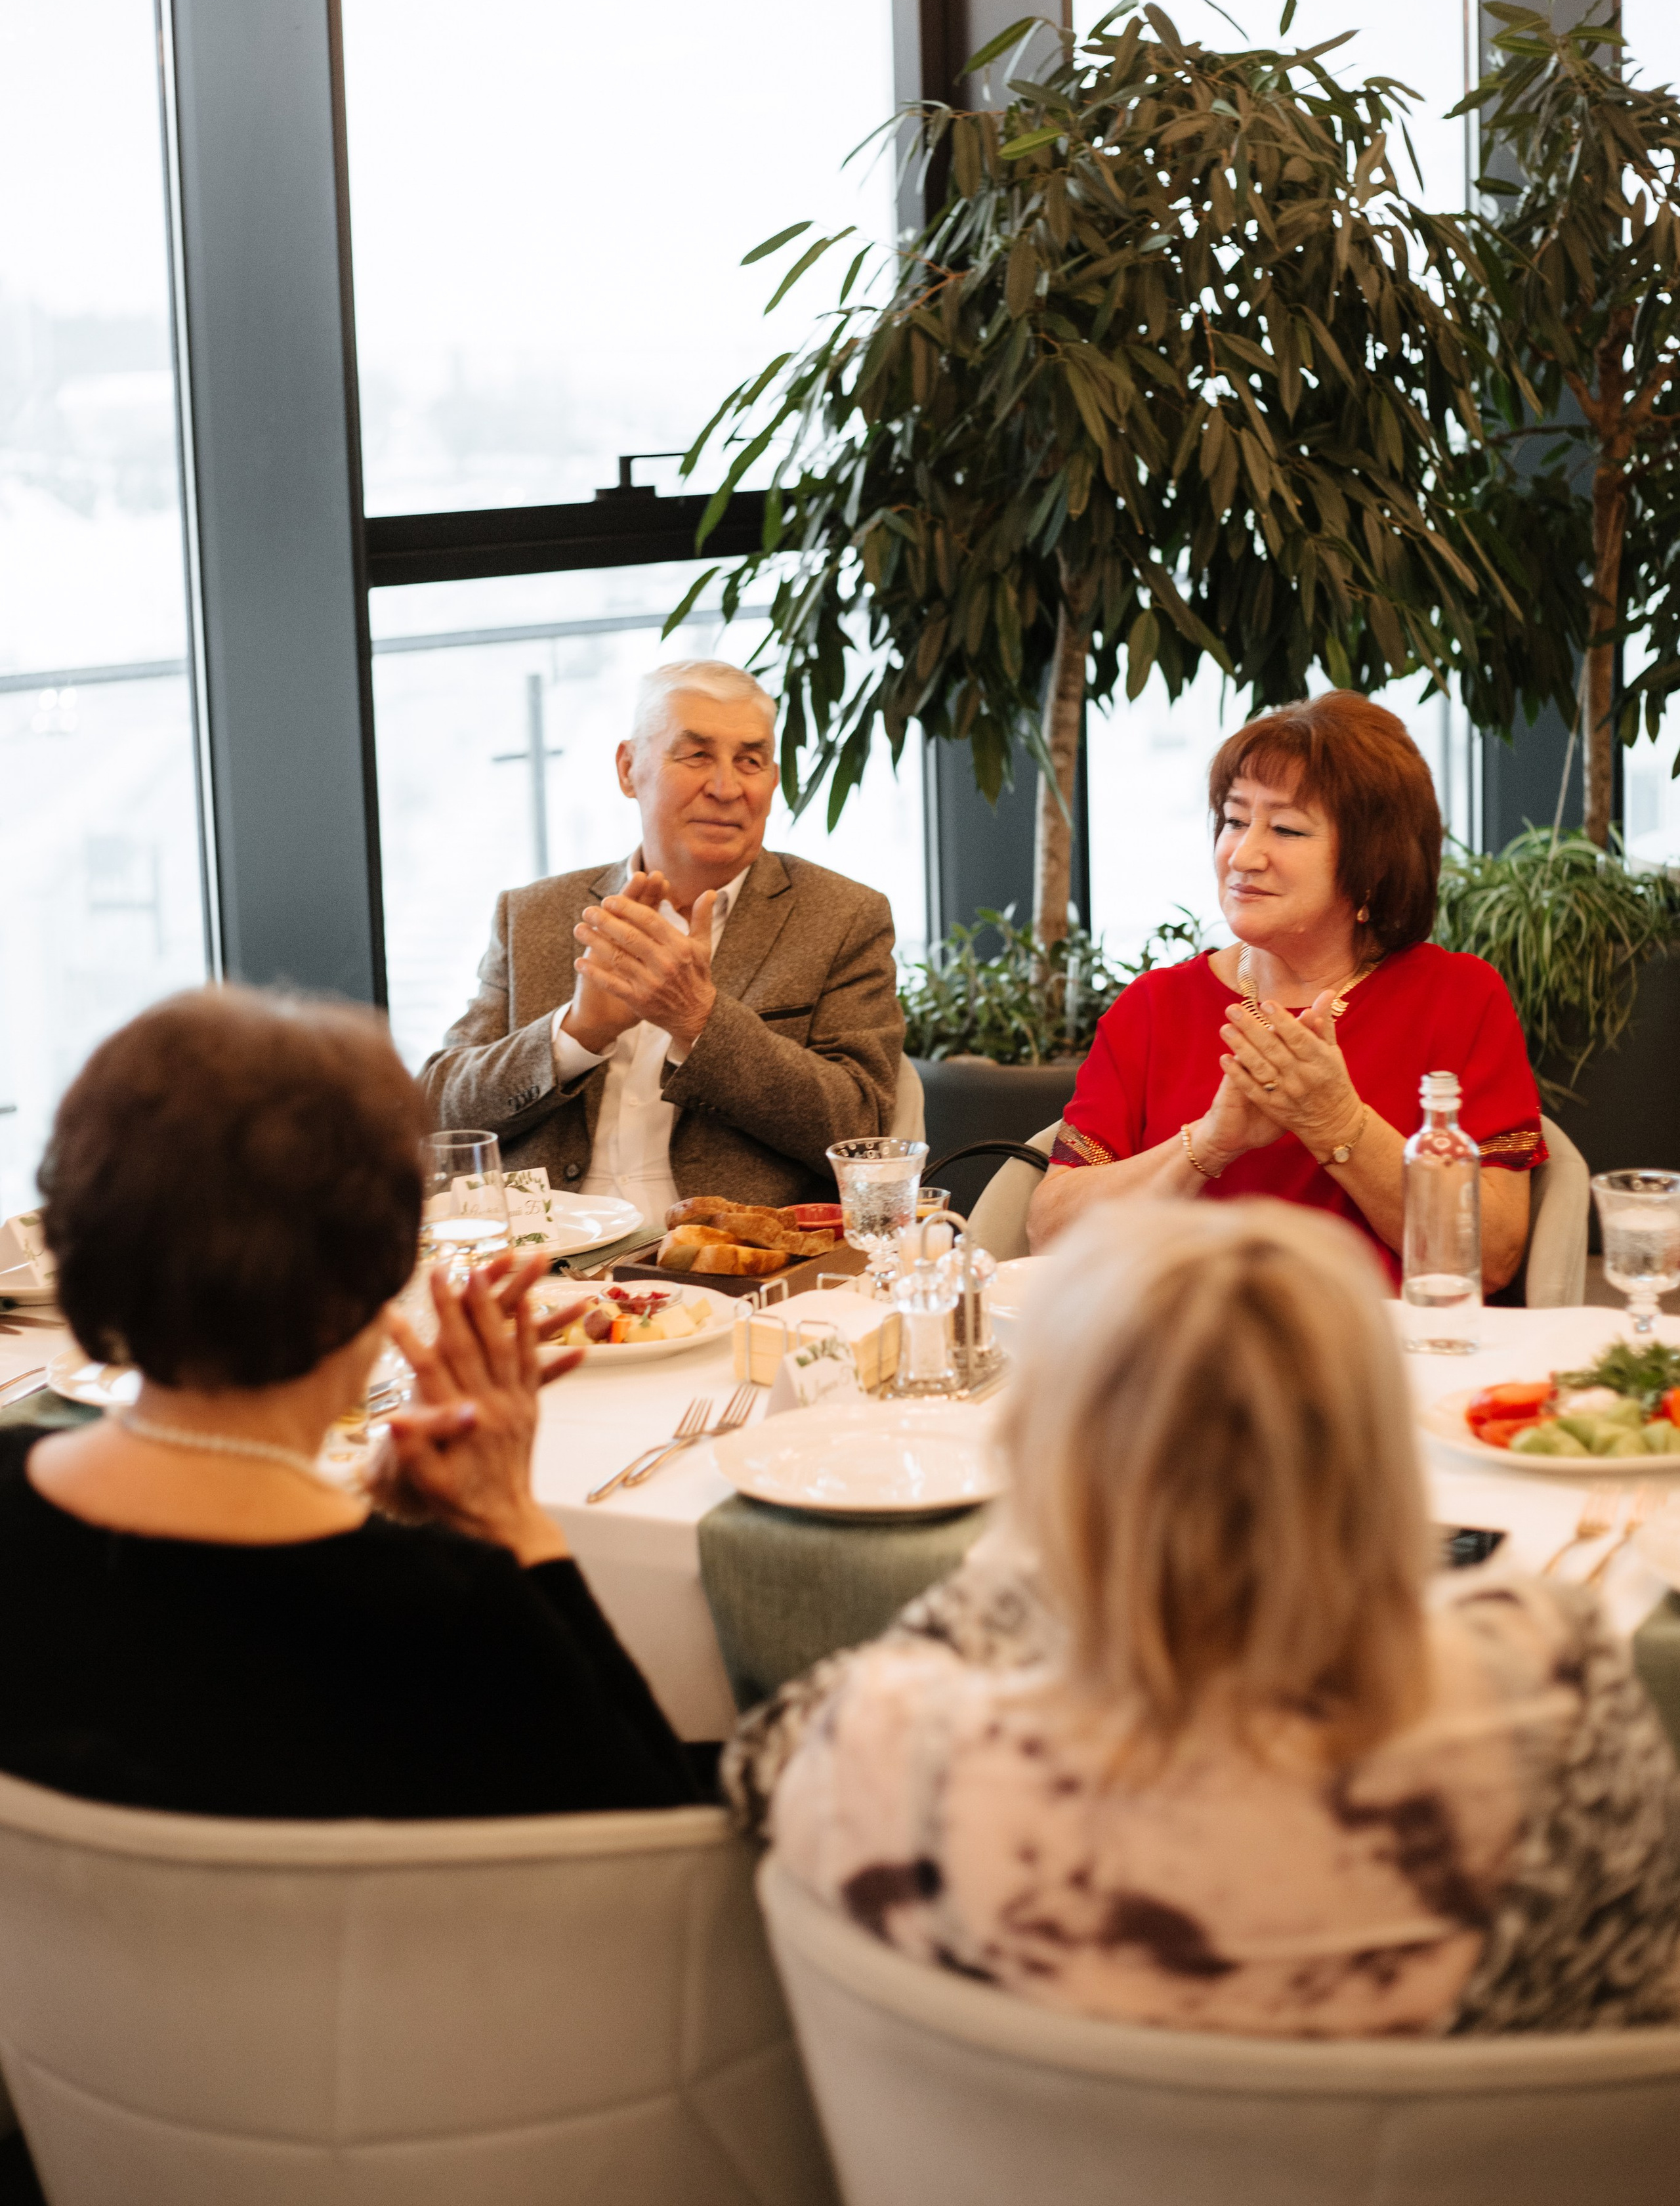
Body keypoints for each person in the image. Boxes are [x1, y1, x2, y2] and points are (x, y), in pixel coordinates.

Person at [752, 1201, 1680, 2037]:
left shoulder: (904, 1746)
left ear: (1050, 1469)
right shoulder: (1554, 1680)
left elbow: (766, 1758)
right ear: (1379, 1458)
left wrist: (1026, 1577)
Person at [1, 986, 702, 1821]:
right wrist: (516, 1524)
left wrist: (369, 1499)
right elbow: (659, 1844)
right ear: (378, 1266)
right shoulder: (445, 1615)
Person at [1028, 690, 1543, 1290]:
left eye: (1287, 829)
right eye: (1235, 820)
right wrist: (1209, 1143)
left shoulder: (1457, 997)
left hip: (1381, 1363)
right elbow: (1050, 1234)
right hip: (1172, 1355)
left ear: (1374, 863)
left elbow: (1492, 1256)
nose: (1244, 855)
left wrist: (1337, 1122)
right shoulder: (1153, 1008)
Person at [423, 658, 904, 1223]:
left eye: (750, 761)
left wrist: (700, 1020)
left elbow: (862, 1131)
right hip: (546, 1265)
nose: (726, 788)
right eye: (696, 755)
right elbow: (438, 1114)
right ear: (630, 769)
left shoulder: (843, 916)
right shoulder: (533, 916)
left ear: (772, 783)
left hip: (738, 1272)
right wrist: (576, 1036)